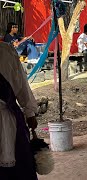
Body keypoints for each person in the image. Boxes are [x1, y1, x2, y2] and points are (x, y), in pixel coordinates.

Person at [0, 42, 38, 179]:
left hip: (10, 122)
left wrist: (30, 112)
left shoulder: (6, 51)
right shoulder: (6, 50)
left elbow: (21, 84)